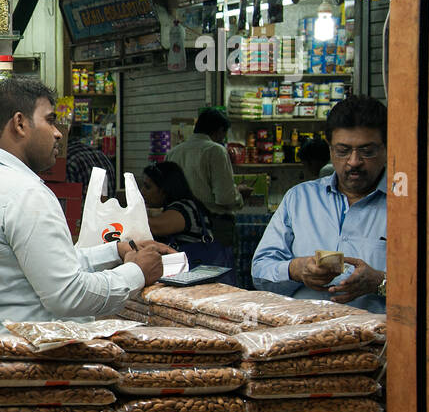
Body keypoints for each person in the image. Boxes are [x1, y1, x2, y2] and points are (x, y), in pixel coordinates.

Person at [0, 77, 172, 333]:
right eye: (50, 120)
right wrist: (137, 272)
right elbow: (68, 294)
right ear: (20, 123)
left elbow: (41, 265)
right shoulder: (25, 193)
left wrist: (116, 251)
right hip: (34, 358)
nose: (58, 133)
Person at [251, 95, 388, 312]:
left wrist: (380, 282)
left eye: (367, 151)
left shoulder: (406, 205)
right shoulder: (300, 199)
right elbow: (260, 271)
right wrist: (296, 269)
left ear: (387, 148)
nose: (354, 161)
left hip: (377, 339)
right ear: (330, 149)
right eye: (343, 151)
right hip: (302, 334)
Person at [166, 108, 252, 248]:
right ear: (219, 131)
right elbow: (224, 197)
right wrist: (239, 193)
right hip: (213, 226)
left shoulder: (174, 152)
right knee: (216, 267)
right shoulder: (215, 151)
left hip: (180, 225)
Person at [140, 160, 236, 279]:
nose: (142, 192)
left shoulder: (184, 209)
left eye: (148, 187)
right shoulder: (183, 207)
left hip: (195, 276)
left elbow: (155, 227)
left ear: (165, 189)